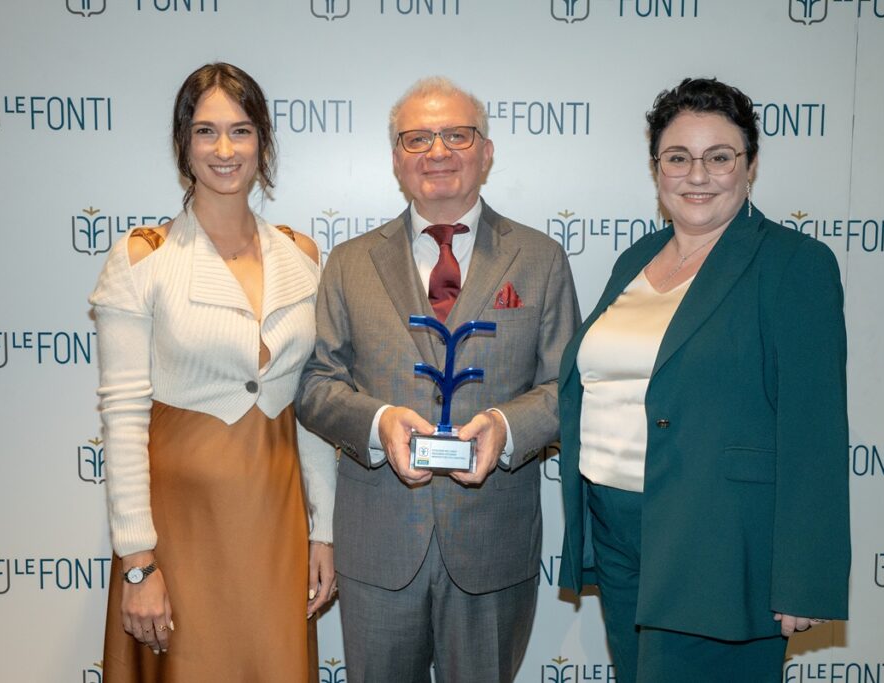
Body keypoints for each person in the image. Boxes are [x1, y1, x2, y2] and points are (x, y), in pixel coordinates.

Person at [557, 77, 850, 682]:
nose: (697, 175)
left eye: (719, 158)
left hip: (718, 536)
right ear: (656, 167)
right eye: (678, 157)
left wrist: (802, 578)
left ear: (750, 165)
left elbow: (814, 431)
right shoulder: (636, 259)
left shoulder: (794, 264)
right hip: (617, 529)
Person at [295, 76, 579, 683]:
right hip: (379, 545)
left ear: (487, 151)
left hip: (493, 544)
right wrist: (379, 423)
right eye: (417, 138)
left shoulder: (540, 259)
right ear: (397, 159)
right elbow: (317, 385)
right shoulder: (348, 263)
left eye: (457, 135)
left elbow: (567, 388)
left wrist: (505, 426)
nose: (438, 151)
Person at [90, 62, 336, 682]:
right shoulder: (141, 258)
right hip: (181, 526)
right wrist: (138, 563)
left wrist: (324, 531)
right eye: (206, 131)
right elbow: (123, 418)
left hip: (276, 517)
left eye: (241, 130)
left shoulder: (302, 256)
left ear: (263, 142)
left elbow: (311, 409)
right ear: (184, 142)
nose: (225, 150)